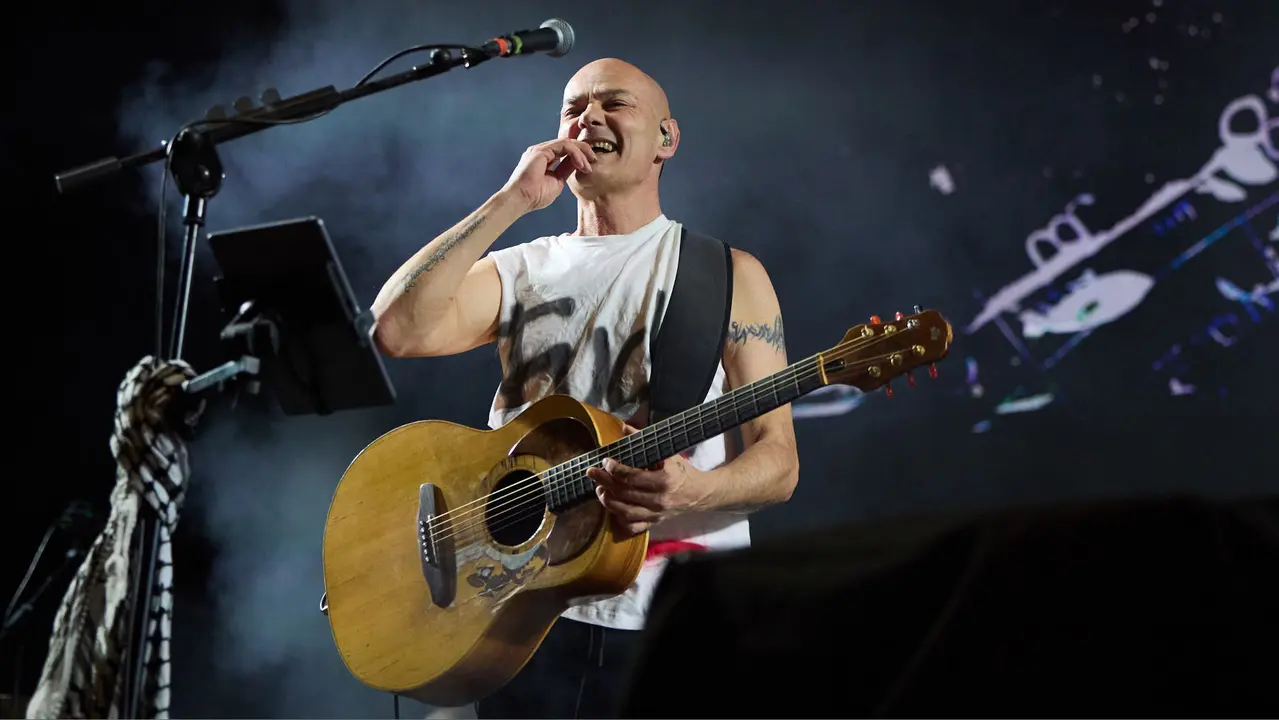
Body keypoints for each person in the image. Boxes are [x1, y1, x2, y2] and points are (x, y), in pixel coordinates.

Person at [370, 58, 801, 719]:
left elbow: (778, 463)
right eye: (573, 108)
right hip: (521, 612)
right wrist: (511, 200)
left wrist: (693, 489)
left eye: (613, 104)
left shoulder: (726, 275)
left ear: (666, 138)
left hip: (667, 616)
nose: (588, 117)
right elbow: (395, 328)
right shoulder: (520, 269)